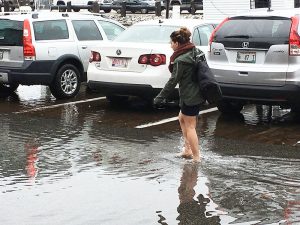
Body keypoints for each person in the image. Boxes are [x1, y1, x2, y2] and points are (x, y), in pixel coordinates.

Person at [153, 27, 204, 162]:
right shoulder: (195, 51)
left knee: (190, 125)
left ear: (177, 43)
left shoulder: (181, 60)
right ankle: (187, 150)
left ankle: (196, 157)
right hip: (198, 93)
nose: (170, 45)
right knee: (182, 118)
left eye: (171, 42)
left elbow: (172, 81)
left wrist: (160, 97)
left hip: (190, 96)